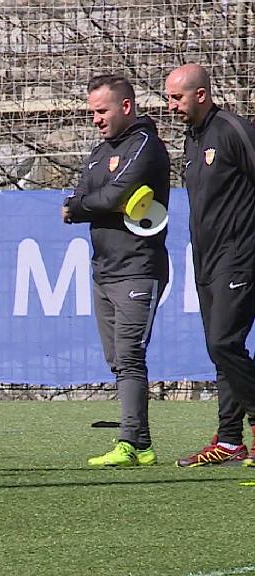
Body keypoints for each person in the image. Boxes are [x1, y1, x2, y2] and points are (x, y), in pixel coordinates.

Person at [62, 74, 170, 468]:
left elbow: (109, 196)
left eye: (102, 110)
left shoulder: (146, 146)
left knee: (129, 355)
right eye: (92, 111)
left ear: (126, 107)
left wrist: (82, 207)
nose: (95, 118)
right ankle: (141, 445)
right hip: (103, 269)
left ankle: (128, 442)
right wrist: (86, 204)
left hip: (138, 267)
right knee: (117, 359)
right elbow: (80, 195)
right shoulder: (97, 152)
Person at [166, 63, 255, 467]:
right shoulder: (192, 140)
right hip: (207, 261)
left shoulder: (233, 131)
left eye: (177, 97)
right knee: (221, 351)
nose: (171, 106)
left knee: (223, 342)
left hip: (241, 256)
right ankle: (231, 441)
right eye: (169, 97)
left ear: (200, 95)